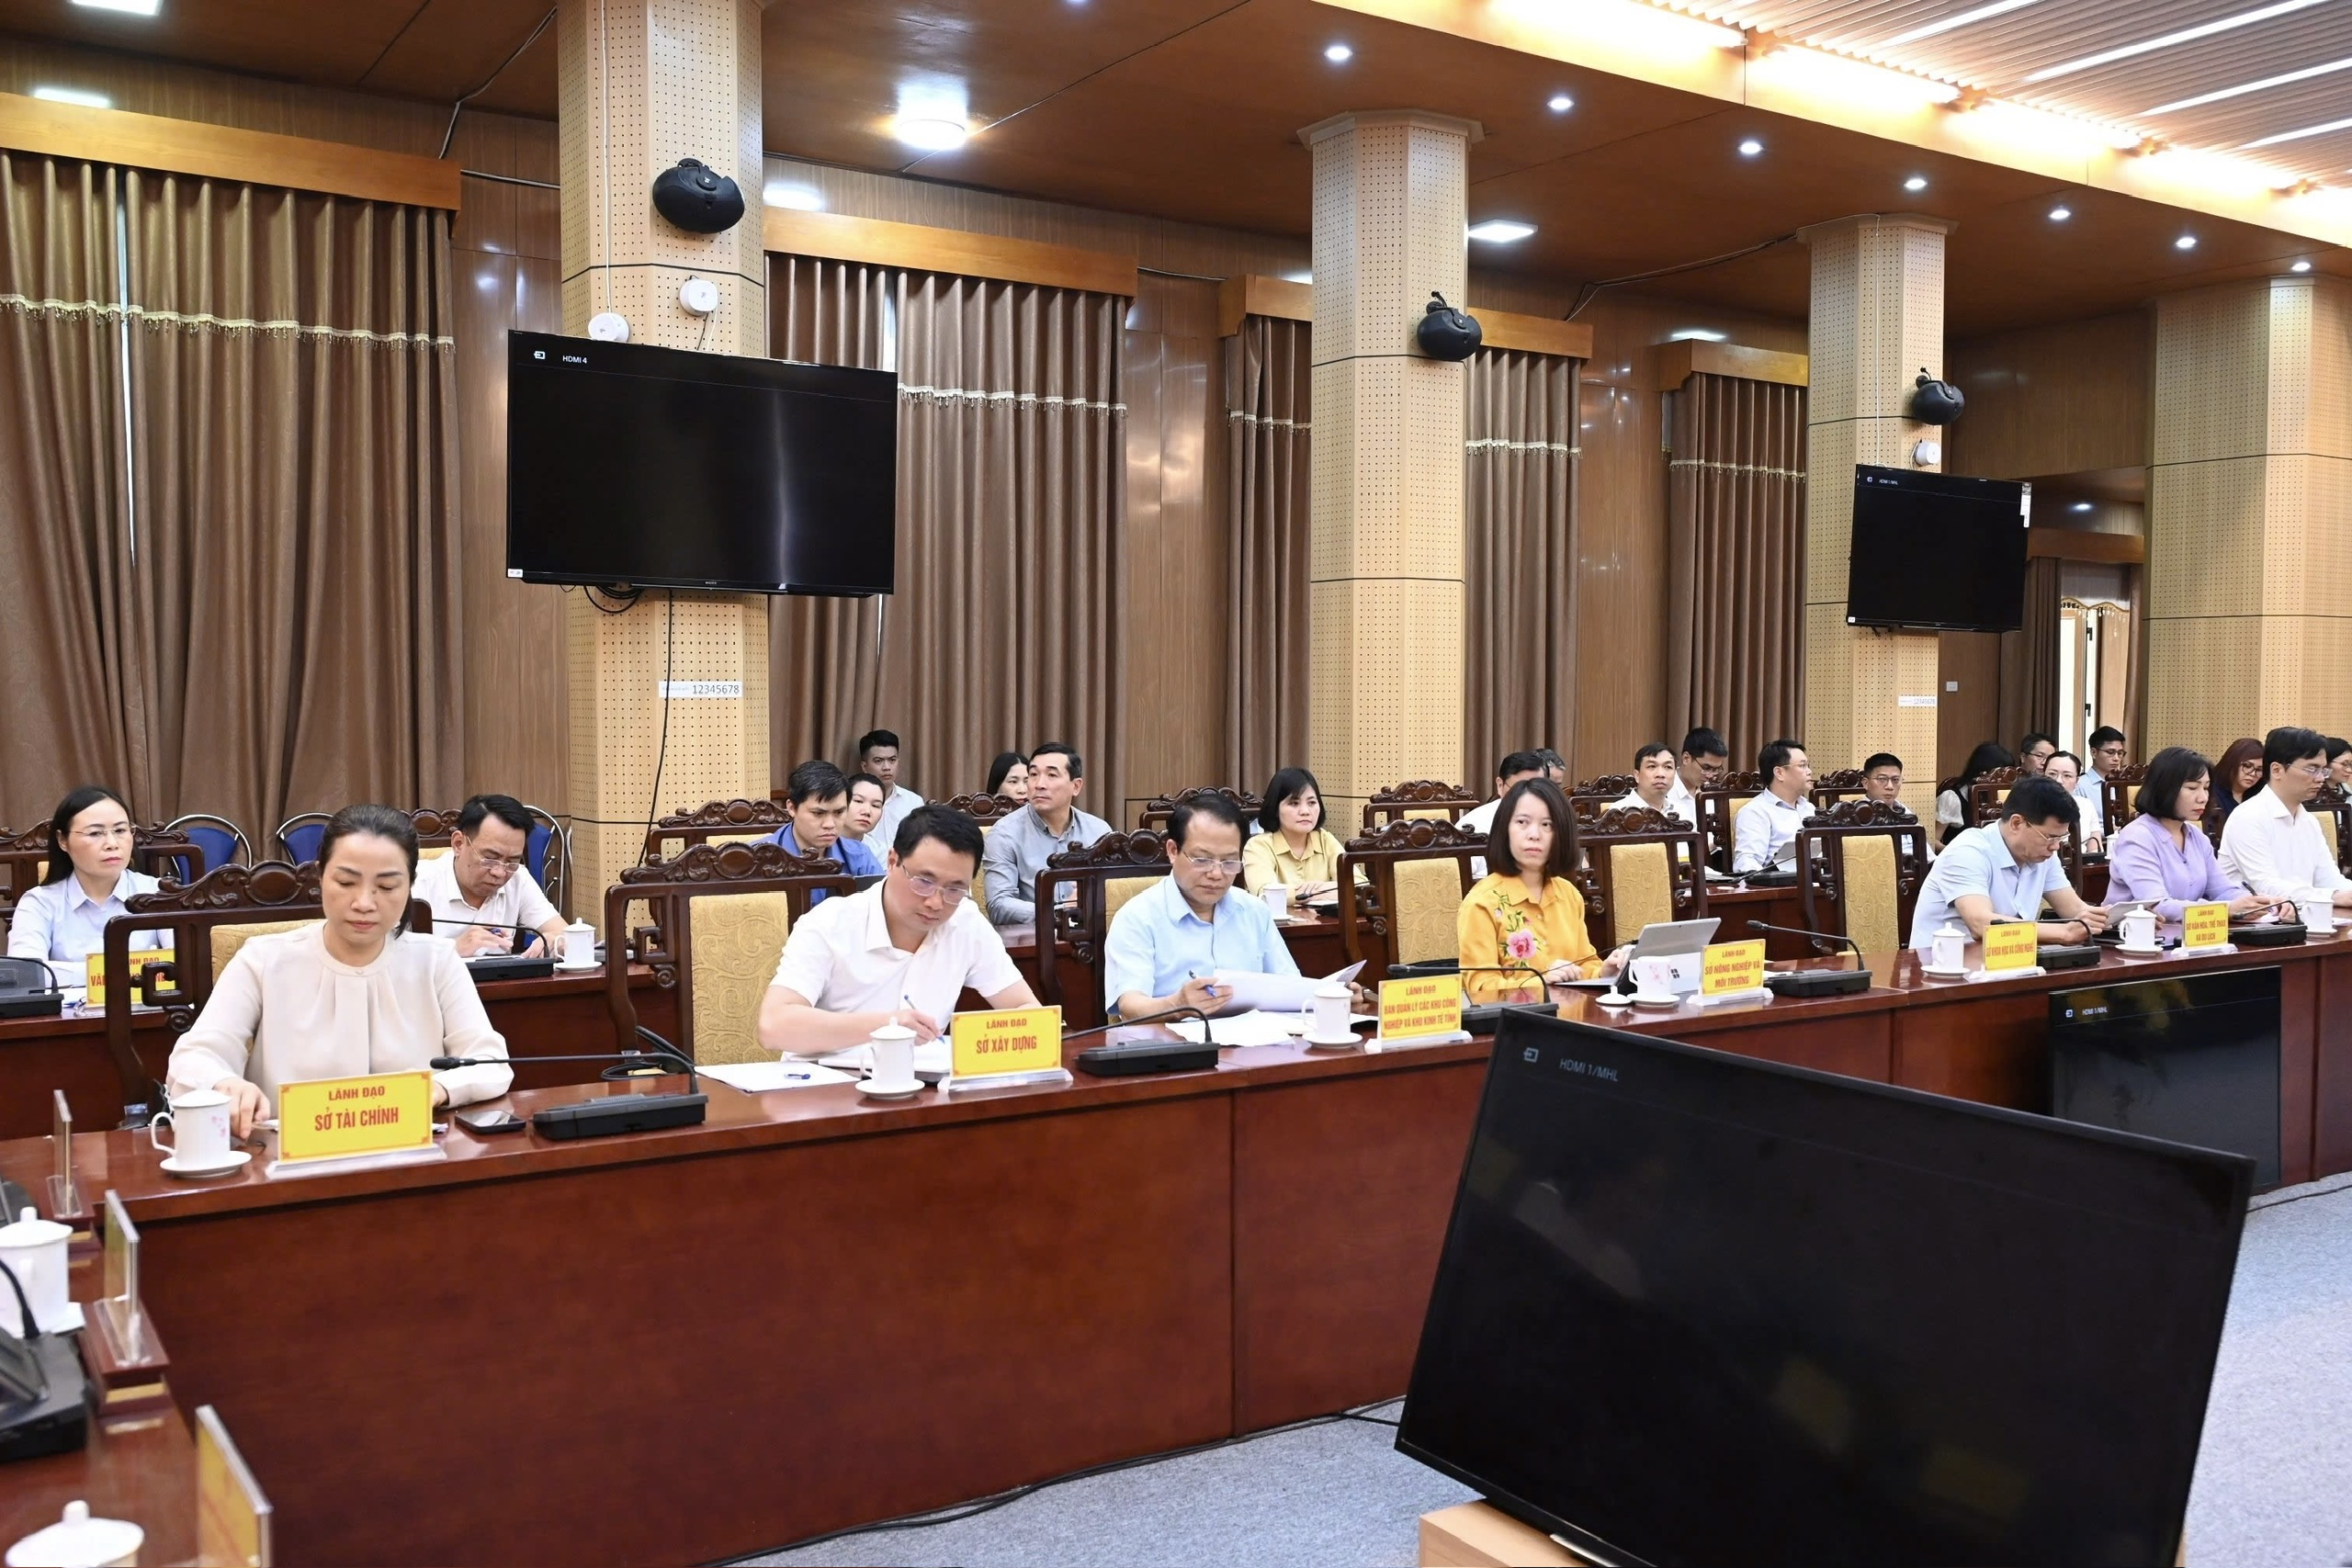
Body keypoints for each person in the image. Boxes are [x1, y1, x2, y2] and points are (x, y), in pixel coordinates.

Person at [166, 804, 512, 1138]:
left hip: (409, 1154)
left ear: (410, 885)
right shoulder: (263, 960)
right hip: (284, 1157)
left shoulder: (436, 960)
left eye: (387, 887)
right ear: (320, 876)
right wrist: (224, 1083)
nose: (364, 903)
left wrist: (436, 1089)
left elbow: (489, 1060)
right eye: (346, 882)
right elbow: (195, 1056)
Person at [759, 807, 1038, 1054]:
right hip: (825, 1085)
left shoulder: (966, 922)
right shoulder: (829, 923)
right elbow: (774, 1025)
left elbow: (1026, 1010)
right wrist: (889, 1025)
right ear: (892, 862)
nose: (936, 902)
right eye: (924, 882)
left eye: (955, 889)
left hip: (925, 1087)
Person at [1105, 795, 1302, 1021]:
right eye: (1202, 860)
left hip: (1253, 1040)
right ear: (1172, 850)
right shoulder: (1137, 917)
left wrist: (1330, 997)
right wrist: (1178, 1005)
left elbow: (1291, 989)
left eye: (1229, 862)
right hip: (1171, 1041)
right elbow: (1130, 1007)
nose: (1216, 874)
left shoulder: (1255, 911)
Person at [1457, 779, 1626, 1003]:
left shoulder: (1568, 894)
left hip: (1571, 1017)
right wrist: (1541, 982)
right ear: (1504, 829)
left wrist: (1604, 972)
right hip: (1516, 1021)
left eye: (1547, 825)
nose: (1534, 834)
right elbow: (1480, 989)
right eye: (1522, 822)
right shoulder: (1482, 903)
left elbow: (1585, 964)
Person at [1908, 776, 2111, 950]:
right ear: (2016, 823)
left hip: (2007, 961)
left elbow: (2074, 909)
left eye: (2060, 838)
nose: (2055, 847)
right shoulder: (1967, 851)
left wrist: (2105, 919)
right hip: (1942, 967)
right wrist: (2064, 933)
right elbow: (1980, 924)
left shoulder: (2042, 853)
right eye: (2050, 837)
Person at [6, 786, 167, 989]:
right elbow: (25, 974)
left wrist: (70, 973)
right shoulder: (39, 903)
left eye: (120, 830)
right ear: (63, 841)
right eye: (95, 833)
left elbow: (185, 965)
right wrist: (121, 971)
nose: (112, 844)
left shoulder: (159, 895)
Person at [2105, 747, 2278, 922]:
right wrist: (2226, 909)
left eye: (2206, 788)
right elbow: (2157, 905)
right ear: (2164, 788)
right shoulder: (2137, 837)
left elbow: (2222, 890)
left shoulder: (2197, 837)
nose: (2203, 797)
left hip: (2186, 933)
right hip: (2131, 935)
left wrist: (2260, 903)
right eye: (2192, 788)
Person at [413, 794, 567, 957]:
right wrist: (453, 949)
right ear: (458, 844)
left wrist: (556, 940)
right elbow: (393, 957)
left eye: (512, 861)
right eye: (490, 858)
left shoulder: (518, 878)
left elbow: (563, 933)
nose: (499, 872)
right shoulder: (414, 883)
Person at [980, 741, 1114, 926]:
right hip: (1033, 937)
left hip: (1092, 935)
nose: (1039, 784)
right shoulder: (1003, 834)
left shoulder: (1100, 832)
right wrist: (1060, 912)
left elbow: (1115, 893)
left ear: (1076, 786)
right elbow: (999, 905)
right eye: (1033, 775)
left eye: (1051, 775)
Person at [2219, 727, 2352, 911]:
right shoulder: (2247, 817)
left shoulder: (2309, 821)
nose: (2321, 778)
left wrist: (2343, 893)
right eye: (2312, 769)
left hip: (2302, 916)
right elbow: (2266, 887)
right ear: (2277, 770)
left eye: (2323, 770)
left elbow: (2329, 879)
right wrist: (2332, 896)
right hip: (2256, 922)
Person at [760, 760, 881, 896]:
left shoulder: (860, 857)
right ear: (792, 808)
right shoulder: (757, 859)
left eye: (839, 812)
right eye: (818, 813)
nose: (830, 824)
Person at [1242, 767, 1348, 898]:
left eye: (1312, 803)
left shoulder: (1325, 839)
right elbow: (1268, 894)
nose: (1305, 811)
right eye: (1294, 803)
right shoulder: (1258, 846)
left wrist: (1307, 892)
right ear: (1275, 808)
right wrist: (1326, 890)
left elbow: (1357, 885)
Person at [1732, 739, 1814, 874]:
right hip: (1779, 883)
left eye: (1808, 765)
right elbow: (1746, 862)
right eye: (1802, 766)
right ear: (1779, 773)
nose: (1809, 771)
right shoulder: (1755, 812)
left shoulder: (1809, 808)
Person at [1936, 741, 2016, 846]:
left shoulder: (2005, 797)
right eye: (1998, 774)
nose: (2001, 780)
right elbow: (1934, 841)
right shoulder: (1952, 798)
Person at [858, 729, 925, 844]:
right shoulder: (852, 801)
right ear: (864, 766)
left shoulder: (914, 802)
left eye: (892, 760)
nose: (887, 767)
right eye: (878, 761)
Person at [1458, 751, 1547, 837]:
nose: (1528, 798)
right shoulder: (1475, 825)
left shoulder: (1553, 821)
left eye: (1537, 789)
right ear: (1500, 785)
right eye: (1519, 789)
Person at [2042, 753, 2103, 854]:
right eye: (2052, 774)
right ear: (2043, 776)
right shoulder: (2030, 806)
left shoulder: (2086, 805)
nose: (2058, 781)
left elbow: (2095, 849)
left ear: (2077, 781)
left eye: (2067, 776)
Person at [1672, 728, 1729, 824]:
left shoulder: (1712, 792)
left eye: (1716, 769)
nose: (1711, 776)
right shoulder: (1664, 789)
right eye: (1706, 768)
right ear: (1686, 758)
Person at [2209, 738, 2266, 833]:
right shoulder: (2210, 791)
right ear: (2232, 762)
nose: (2252, 773)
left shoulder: (2261, 795)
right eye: (2247, 766)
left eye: (2259, 770)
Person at [1611, 743, 1683, 818]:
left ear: (1675, 773)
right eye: (1652, 766)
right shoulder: (1618, 813)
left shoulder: (1682, 812)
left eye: (1668, 767)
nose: (1660, 774)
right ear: (1637, 775)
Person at [2079, 726, 2128, 834]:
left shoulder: (2124, 784)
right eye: (2110, 752)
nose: (2116, 758)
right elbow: (2079, 829)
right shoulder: (2080, 785)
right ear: (2094, 753)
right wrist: (2111, 831)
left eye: (2120, 753)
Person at [841, 773, 887, 844]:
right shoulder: (823, 845)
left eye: (875, 805)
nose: (867, 811)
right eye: (859, 801)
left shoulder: (880, 850)